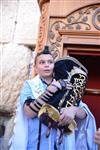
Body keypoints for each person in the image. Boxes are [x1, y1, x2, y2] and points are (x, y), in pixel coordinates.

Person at [9, 46, 97, 150]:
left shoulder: (67, 84)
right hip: (34, 145)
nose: (47, 65)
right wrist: (50, 91)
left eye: (50, 62)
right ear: (35, 67)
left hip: (61, 145)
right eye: (42, 62)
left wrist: (73, 110)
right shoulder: (30, 85)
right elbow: (29, 112)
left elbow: (84, 113)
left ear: (54, 66)